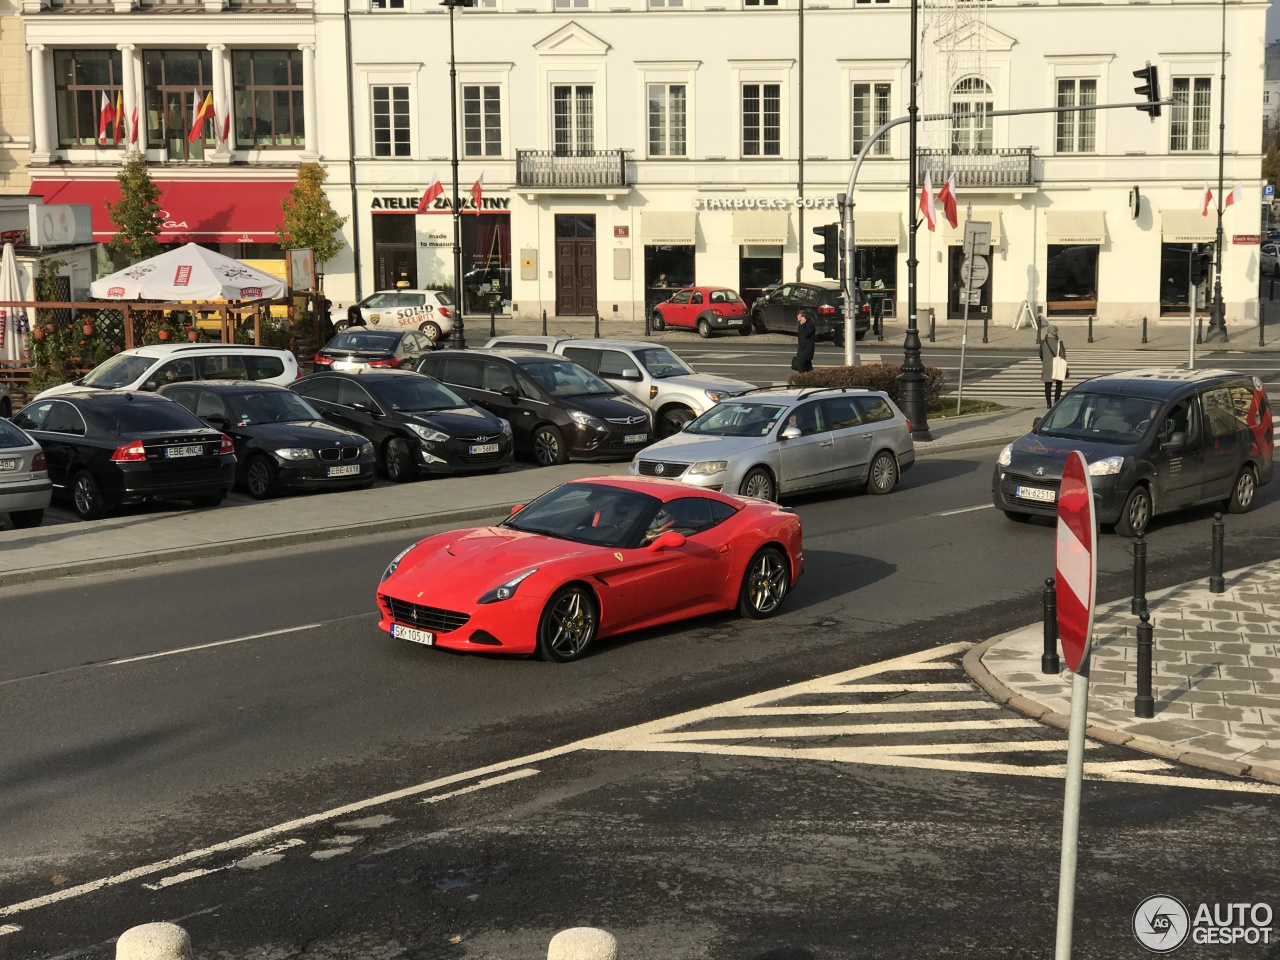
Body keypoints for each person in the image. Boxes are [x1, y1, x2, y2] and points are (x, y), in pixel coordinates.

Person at [1040, 324, 1067, 409]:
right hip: (1057, 366)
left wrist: (1045, 361)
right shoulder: (1059, 342)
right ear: (1056, 333)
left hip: (1047, 366)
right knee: (1058, 384)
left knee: (1047, 385)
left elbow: (1041, 355)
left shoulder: (1043, 342)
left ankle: (1048, 403)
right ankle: (1056, 401)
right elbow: (1062, 355)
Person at [792, 309, 816, 374]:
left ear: (803, 317)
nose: (798, 321)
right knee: (807, 364)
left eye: (799, 319)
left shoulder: (810, 324)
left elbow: (805, 334)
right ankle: (811, 375)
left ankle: (801, 377)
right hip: (802, 346)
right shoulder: (801, 324)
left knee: (801, 363)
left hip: (807, 347)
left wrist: (802, 325)